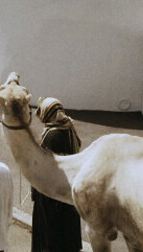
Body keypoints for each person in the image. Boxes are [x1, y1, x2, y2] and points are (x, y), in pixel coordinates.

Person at [31, 98, 83, 252]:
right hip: (68, 190)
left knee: (50, 236)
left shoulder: (52, 136)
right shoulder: (68, 128)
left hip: (51, 195)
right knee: (67, 234)